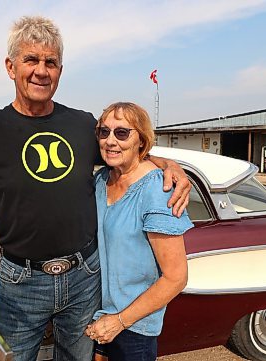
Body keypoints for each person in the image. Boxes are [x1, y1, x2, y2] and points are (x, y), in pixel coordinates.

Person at [0, 16, 191, 361]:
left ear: (60, 71)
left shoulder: (83, 125)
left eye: (50, 62)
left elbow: (126, 152)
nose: (41, 70)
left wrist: (168, 165)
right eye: (31, 60)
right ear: (10, 67)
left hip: (85, 277)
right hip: (20, 282)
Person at [85, 102, 193, 361]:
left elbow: (176, 278)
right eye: (104, 132)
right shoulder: (102, 180)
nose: (110, 140)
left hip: (133, 327)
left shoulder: (157, 189)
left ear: (141, 142)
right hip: (99, 318)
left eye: (122, 133)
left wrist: (119, 322)